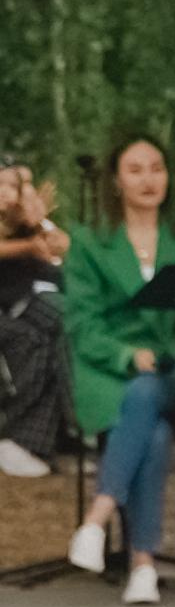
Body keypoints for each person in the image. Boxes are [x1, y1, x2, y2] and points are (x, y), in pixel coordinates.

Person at [62, 134, 175, 603]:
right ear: (116, 181)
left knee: (149, 392)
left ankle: (97, 516)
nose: (148, 179)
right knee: (149, 424)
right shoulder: (90, 242)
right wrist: (128, 357)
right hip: (113, 370)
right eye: (136, 170)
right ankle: (143, 566)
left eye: (156, 168)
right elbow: (83, 325)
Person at [0, 163, 74, 477]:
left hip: (20, 309)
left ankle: (37, 438)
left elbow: (60, 250)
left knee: (65, 331)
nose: (5, 192)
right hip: (12, 312)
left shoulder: (26, 226)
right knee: (44, 333)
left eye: (11, 186)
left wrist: (41, 226)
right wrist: (31, 244)